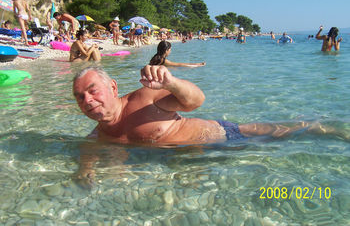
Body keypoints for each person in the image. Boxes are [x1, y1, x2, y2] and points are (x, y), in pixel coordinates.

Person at [72, 65, 338, 186]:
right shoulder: (98, 135)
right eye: (80, 97)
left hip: (227, 137)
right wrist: (85, 169)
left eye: (93, 91)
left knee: (297, 132)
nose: (88, 100)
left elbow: (196, 101)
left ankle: (331, 127)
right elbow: (90, 152)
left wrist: (171, 83)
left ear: (113, 87)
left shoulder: (142, 98)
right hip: (201, 159)